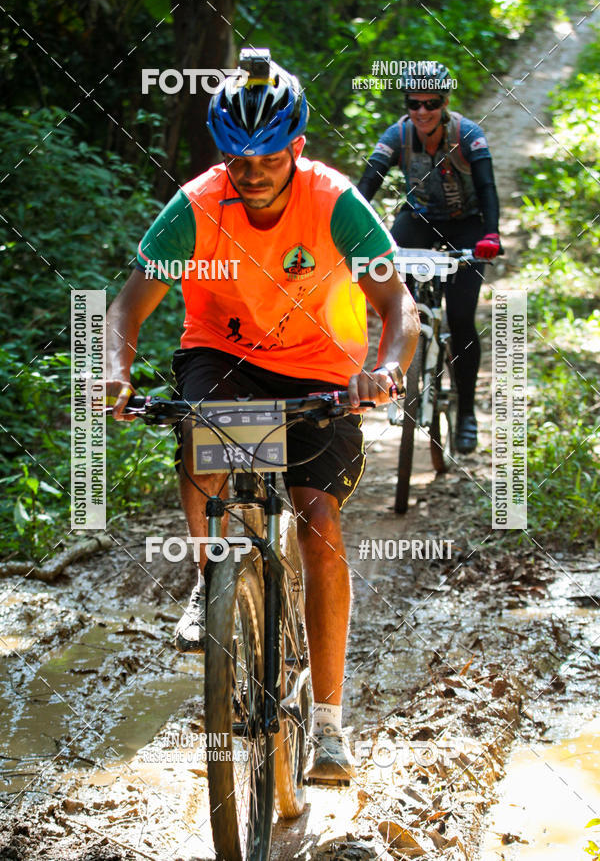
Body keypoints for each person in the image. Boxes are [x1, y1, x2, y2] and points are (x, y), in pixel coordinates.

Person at [106, 48, 420, 784]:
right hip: (226, 352)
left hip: (321, 368)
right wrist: (116, 370)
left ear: (297, 148)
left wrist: (387, 370)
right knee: (199, 427)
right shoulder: (196, 206)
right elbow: (127, 306)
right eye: (237, 159)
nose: (251, 173)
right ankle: (209, 577)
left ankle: (331, 725)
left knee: (320, 520)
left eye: (269, 158)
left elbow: (397, 305)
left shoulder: (336, 201)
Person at [357, 62, 501, 453]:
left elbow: (487, 187)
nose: (422, 112)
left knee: (459, 315)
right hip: (419, 219)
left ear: (445, 103)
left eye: (431, 104)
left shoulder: (468, 135)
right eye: (413, 104)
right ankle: (396, 373)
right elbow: (367, 184)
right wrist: (350, 230)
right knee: (394, 292)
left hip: (468, 224)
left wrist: (491, 233)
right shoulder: (398, 135)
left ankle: (467, 412)